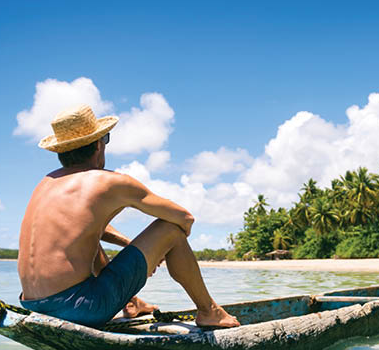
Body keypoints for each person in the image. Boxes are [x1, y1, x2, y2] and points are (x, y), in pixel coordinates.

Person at [17, 104, 240, 330]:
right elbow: (184, 217)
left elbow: (85, 229)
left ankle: (131, 303)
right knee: (171, 229)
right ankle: (209, 312)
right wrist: (164, 247)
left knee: (89, 237)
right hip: (80, 308)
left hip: (32, 304)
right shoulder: (108, 182)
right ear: (97, 144)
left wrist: (131, 245)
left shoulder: (45, 184)